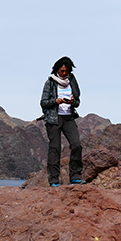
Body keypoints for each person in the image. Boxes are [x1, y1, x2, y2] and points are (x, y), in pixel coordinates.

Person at [40, 56, 83, 187]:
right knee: (55, 149)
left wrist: (72, 102)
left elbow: (78, 102)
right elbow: (43, 103)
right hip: (53, 119)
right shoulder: (50, 82)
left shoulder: (72, 82)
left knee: (76, 145)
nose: (64, 73)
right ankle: (54, 180)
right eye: (61, 70)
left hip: (68, 117)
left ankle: (75, 176)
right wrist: (56, 101)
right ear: (57, 69)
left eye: (66, 71)